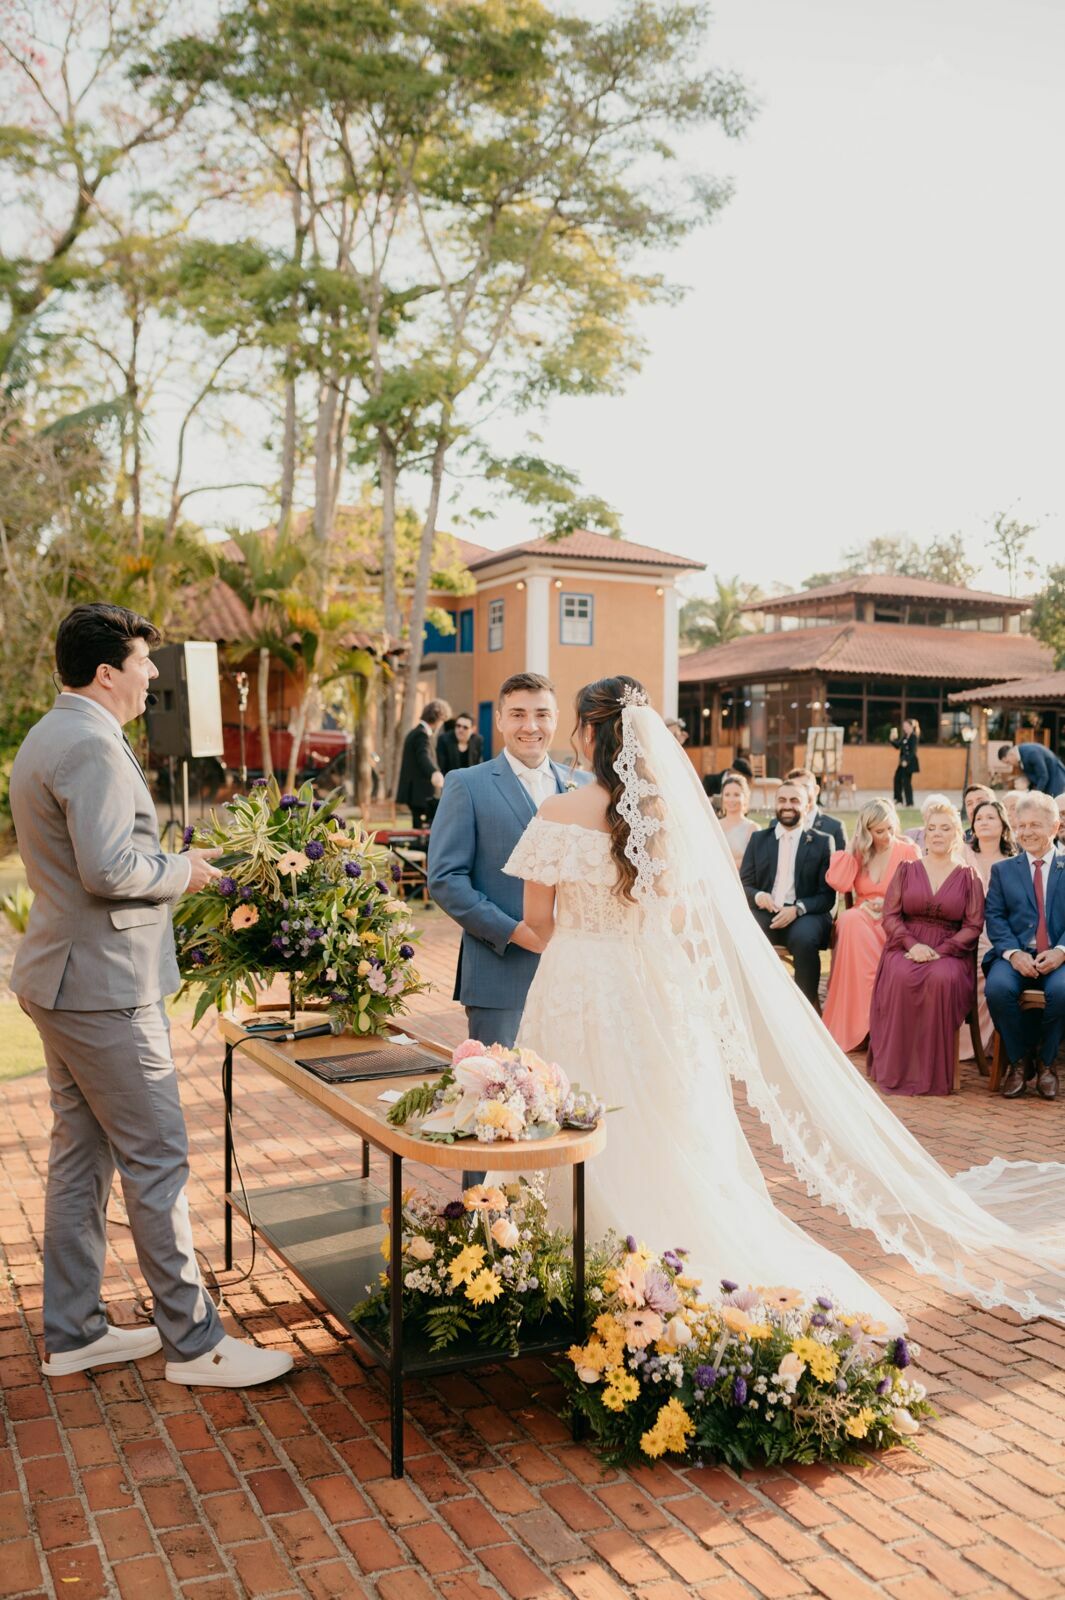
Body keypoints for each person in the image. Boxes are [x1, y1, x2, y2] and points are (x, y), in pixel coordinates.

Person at [502, 674, 1065, 1329]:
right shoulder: (659, 823)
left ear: (587, 734)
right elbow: (680, 918)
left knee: (567, 1117)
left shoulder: (554, 815)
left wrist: (554, 938)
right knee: (660, 1120)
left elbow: (537, 924)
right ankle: (663, 1266)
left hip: (572, 983)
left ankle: (550, 1269)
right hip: (648, 988)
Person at [9, 603, 294, 1388]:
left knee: (80, 1157)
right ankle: (195, 1343)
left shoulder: (48, 734)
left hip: (61, 981)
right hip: (103, 989)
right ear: (108, 673)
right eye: (144, 664)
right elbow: (109, 872)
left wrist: (164, 857)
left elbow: (90, 859)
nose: (152, 677)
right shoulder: (93, 747)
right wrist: (186, 872)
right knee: (157, 1158)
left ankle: (74, 1333)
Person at [427, 673, 590, 1053]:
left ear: (556, 720)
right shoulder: (466, 784)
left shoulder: (586, 785)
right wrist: (516, 932)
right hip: (501, 974)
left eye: (541, 715)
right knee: (503, 1098)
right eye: (517, 714)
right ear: (499, 720)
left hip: (577, 974)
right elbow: (446, 879)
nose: (530, 726)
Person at [867, 801, 985, 1095]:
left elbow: (973, 926)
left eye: (945, 828)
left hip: (951, 951)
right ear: (924, 834)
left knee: (940, 978)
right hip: (905, 944)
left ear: (957, 834)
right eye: (931, 828)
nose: (937, 834)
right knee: (901, 975)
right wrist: (912, 944)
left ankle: (930, 1073)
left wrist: (941, 950)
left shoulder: (969, 877)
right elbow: (891, 916)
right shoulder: (906, 870)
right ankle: (897, 1068)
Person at [984, 791, 1065, 1101]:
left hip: (1059, 956)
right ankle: (1019, 1062)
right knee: (997, 989)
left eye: (1036, 825)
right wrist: (1014, 953)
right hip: (1015, 954)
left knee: (1061, 992)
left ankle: (1047, 1063)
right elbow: (995, 917)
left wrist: (1061, 952)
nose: (1027, 832)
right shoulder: (1003, 871)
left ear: (1055, 827)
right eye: (1021, 826)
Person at [821, 800, 920, 1052]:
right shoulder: (859, 852)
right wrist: (853, 847)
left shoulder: (908, 851)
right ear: (866, 831)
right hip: (863, 916)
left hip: (896, 917)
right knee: (848, 920)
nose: (886, 836)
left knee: (855, 925)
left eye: (890, 828)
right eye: (879, 831)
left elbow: (919, 894)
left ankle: (876, 1025)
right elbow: (840, 883)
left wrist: (889, 904)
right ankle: (857, 1024)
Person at [739, 780, 835, 1009]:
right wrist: (758, 896)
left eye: (794, 800)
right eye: (782, 800)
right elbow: (744, 885)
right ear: (775, 804)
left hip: (805, 914)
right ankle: (754, 1005)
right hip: (766, 910)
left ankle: (805, 1009)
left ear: (808, 804)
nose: (787, 805)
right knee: (741, 931)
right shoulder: (759, 840)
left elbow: (827, 896)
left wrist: (798, 908)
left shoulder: (822, 842)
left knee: (804, 938)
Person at [961, 798, 1017, 1061]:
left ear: (1003, 824)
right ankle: (958, 1042)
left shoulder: (1013, 861)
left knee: (991, 961)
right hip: (962, 926)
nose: (983, 822)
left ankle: (988, 1042)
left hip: (999, 931)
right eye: (979, 818)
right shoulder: (962, 855)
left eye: (990, 817)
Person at [396, 697, 451, 828]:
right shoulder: (422, 734)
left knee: (420, 827)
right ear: (438, 718)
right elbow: (424, 756)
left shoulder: (414, 733)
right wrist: (434, 772)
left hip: (415, 793)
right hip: (421, 794)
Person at [785, 766, 846, 850]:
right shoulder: (776, 824)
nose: (799, 792)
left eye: (804, 787)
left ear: (816, 790)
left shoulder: (834, 827)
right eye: (794, 788)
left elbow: (842, 861)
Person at [718, 773, 758, 871]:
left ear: (745, 798)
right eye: (727, 795)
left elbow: (753, 861)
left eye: (736, 795)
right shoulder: (714, 825)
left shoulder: (753, 828)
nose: (731, 799)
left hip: (741, 881)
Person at [998, 741, 1065, 797]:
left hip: (1056, 778)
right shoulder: (1020, 755)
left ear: (1011, 754)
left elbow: (1043, 776)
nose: (1010, 764)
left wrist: (1035, 795)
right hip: (1049, 779)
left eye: (1008, 762)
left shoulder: (1031, 753)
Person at [437, 711, 484, 776]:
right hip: (451, 781)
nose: (460, 730)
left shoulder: (477, 740)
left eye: (465, 727)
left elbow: (479, 766)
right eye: (458, 726)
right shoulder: (444, 740)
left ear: (473, 729)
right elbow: (442, 768)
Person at [890, 718, 920, 808]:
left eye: (906, 726)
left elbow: (913, 751)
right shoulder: (904, 736)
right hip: (902, 762)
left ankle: (910, 803)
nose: (904, 728)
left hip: (909, 763)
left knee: (907, 782)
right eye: (904, 726)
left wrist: (906, 761)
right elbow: (898, 746)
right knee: (897, 778)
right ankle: (898, 799)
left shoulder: (913, 737)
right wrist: (892, 740)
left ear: (911, 726)